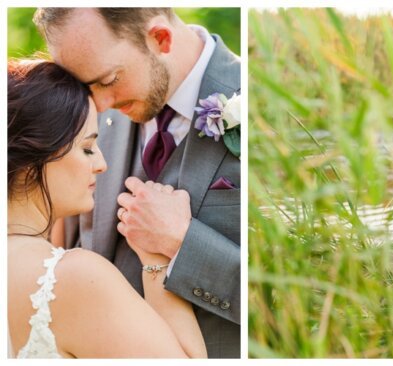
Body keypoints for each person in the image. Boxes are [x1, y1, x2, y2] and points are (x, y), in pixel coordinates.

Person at [33, 8, 241, 357]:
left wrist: (184, 243)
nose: (99, 104)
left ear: (160, 38)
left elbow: (294, 289)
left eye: (109, 79)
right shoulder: (90, 115)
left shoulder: (264, 102)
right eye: (86, 85)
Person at [8, 60, 206, 358]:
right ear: (30, 159)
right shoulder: (73, 278)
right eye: (87, 148)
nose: (101, 164)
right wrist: (154, 256)